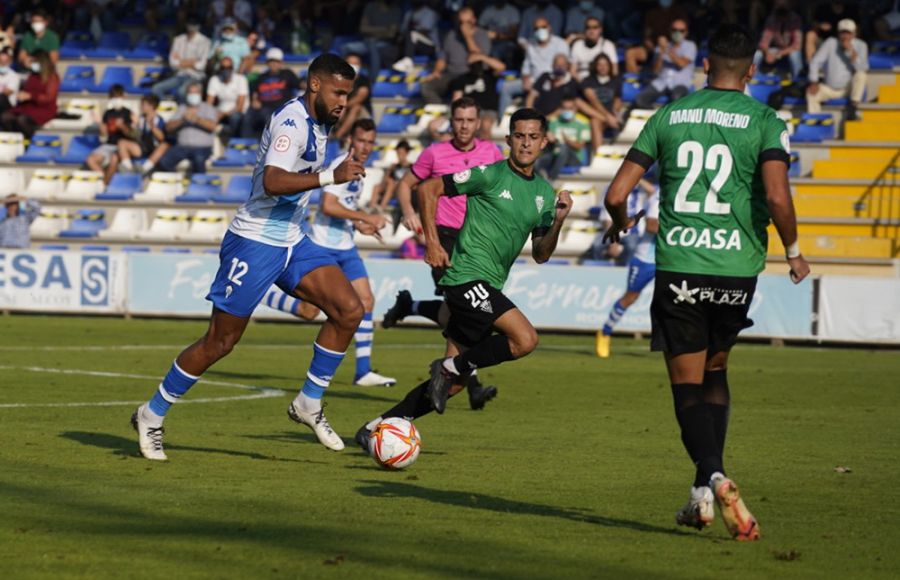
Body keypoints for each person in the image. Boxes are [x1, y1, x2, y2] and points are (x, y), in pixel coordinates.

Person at [602, 24, 810, 541]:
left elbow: (615, 193)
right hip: (737, 271)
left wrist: (618, 221)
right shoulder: (765, 120)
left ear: (705, 66)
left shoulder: (669, 116)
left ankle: (714, 475)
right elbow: (778, 198)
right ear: (752, 71)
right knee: (716, 369)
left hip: (681, 266)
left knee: (686, 387)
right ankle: (700, 493)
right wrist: (794, 250)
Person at [130, 54, 367, 461]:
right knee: (220, 342)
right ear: (314, 85)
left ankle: (308, 403)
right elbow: (274, 181)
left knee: (349, 310)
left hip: (293, 240)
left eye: (348, 93)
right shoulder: (291, 124)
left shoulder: (322, 121)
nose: (344, 101)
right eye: (338, 92)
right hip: (254, 241)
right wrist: (332, 176)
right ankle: (151, 414)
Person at [355, 108, 574, 449]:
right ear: (509, 139)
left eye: (533, 137)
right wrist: (431, 241)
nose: (526, 143)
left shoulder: (545, 195)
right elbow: (428, 190)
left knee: (453, 386)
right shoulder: (489, 175)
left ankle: (378, 425)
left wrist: (558, 220)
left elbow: (542, 253)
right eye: (519, 136)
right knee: (525, 339)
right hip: (465, 277)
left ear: (544, 142)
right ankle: (452, 366)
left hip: (489, 285)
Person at [381, 97, 504, 411]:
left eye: (469, 120)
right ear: (452, 121)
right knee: (472, 310)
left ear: (478, 123)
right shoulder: (434, 153)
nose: (463, 125)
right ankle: (470, 384)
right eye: (458, 119)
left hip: (478, 240)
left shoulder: (491, 152)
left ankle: (412, 305)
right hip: (444, 238)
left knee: (461, 311)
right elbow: (405, 184)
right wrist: (408, 212)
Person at [266, 119, 397, 388]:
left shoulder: (360, 170)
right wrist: (363, 215)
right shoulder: (341, 165)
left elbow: (342, 208)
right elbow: (327, 205)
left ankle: (363, 371)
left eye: (370, 142)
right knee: (308, 311)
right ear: (351, 139)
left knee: (367, 301)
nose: (365, 147)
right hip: (324, 246)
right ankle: (264, 294)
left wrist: (359, 223)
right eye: (361, 140)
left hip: (346, 248)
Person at [595, 178, 658, 358]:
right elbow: (652, 225)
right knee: (630, 297)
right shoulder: (658, 196)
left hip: (669, 259)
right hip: (646, 258)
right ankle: (605, 332)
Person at [499, 17, 570, 116]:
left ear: (549, 28)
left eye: (543, 27)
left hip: (552, 80)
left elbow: (564, 67)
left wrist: (556, 80)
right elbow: (526, 68)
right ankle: (503, 121)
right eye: (536, 28)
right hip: (533, 81)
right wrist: (525, 78)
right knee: (506, 87)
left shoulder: (561, 44)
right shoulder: (530, 45)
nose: (540, 30)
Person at [421, 7, 491, 105]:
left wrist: (468, 37)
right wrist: (436, 72)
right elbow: (442, 58)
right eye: (461, 22)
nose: (464, 25)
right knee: (427, 87)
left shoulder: (482, 34)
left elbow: (479, 57)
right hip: (452, 75)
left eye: (467, 22)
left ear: (474, 20)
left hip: (472, 75)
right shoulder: (451, 35)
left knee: (464, 89)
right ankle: (440, 112)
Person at [806, 19, 868, 120]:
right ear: (838, 33)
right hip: (829, 88)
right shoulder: (831, 43)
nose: (845, 36)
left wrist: (850, 51)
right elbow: (815, 62)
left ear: (854, 34)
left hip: (849, 88)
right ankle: (815, 122)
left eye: (848, 33)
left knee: (861, 75)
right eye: (843, 32)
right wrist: (813, 81)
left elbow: (862, 68)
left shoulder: (861, 45)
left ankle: (853, 107)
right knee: (811, 93)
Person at [155, 82, 218, 175]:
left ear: (200, 94)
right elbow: (168, 127)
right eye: (190, 93)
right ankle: (174, 182)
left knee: (199, 159)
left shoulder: (208, 108)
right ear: (187, 95)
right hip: (182, 147)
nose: (193, 95)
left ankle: (200, 185)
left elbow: (212, 126)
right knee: (164, 161)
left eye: (195, 93)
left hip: (202, 147)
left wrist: (196, 119)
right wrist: (182, 120)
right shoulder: (182, 108)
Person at [634, 19, 697, 109]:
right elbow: (655, 71)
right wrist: (661, 53)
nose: (677, 33)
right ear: (670, 31)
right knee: (639, 99)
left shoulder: (690, 46)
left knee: (676, 99)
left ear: (686, 33)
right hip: (661, 83)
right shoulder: (660, 47)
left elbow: (682, 64)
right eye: (674, 30)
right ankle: (655, 116)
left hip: (680, 84)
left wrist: (666, 48)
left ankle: (666, 119)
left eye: (681, 31)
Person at [240, 48, 300, 138]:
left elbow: (299, 85)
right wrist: (255, 101)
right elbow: (255, 93)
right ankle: (245, 145)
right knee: (247, 117)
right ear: (267, 63)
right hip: (262, 107)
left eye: (276, 61)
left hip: (281, 108)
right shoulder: (261, 77)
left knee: (268, 116)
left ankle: (270, 144)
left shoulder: (287, 74)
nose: (273, 64)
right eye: (271, 61)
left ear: (281, 63)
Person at [0, 50, 58, 139]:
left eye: (33, 62)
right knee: (5, 117)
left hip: (43, 109)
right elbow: (28, 90)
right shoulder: (32, 76)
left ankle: (29, 142)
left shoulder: (52, 77)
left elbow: (48, 98)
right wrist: (22, 95)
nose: (31, 64)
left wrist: (31, 96)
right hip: (28, 106)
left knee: (22, 120)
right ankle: (14, 140)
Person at [152, 16, 211, 102]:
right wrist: (192, 61)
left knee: (181, 92)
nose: (191, 27)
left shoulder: (205, 41)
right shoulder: (178, 40)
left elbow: (201, 66)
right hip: (179, 75)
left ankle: (183, 113)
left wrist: (181, 61)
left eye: (194, 24)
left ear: (198, 26)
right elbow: (173, 63)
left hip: (195, 76)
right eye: (190, 24)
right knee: (156, 89)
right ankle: (167, 108)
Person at [449, 52, 505, 140]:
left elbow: (501, 67)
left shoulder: (489, 75)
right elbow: (456, 99)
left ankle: (486, 152)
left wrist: (482, 57)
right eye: (473, 62)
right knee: (462, 126)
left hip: (488, 111)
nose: (476, 65)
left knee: (485, 125)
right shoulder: (461, 79)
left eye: (478, 62)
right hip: (468, 111)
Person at [86, 84, 135, 184]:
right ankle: (104, 180)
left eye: (118, 96)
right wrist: (99, 122)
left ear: (123, 96)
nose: (116, 99)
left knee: (114, 161)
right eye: (113, 97)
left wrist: (122, 126)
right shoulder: (108, 113)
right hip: (108, 145)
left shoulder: (127, 113)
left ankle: (105, 185)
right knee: (91, 160)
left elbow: (131, 134)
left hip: (121, 147)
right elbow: (104, 134)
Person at [537, 96, 591, 180]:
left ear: (575, 109)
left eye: (570, 108)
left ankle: (551, 179)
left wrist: (567, 141)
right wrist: (548, 140)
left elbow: (579, 146)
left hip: (574, 158)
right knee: (535, 161)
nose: (567, 111)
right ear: (560, 109)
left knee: (564, 148)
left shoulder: (583, 124)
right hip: (555, 155)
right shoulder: (554, 122)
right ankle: (539, 181)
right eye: (565, 108)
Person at [117, 94, 169, 176]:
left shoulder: (159, 119)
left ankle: (145, 168)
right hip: (142, 147)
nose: (141, 107)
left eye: (143, 105)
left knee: (165, 145)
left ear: (151, 106)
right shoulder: (140, 119)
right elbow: (134, 135)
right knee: (122, 142)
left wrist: (152, 127)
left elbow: (161, 138)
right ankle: (128, 168)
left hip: (154, 148)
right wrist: (132, 125)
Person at [754, 0, 803, 79]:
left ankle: (798, 79)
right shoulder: (771, 19)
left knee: (795, 55)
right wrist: (767, 53)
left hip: (789, 50)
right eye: (778, 4)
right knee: (758, 53)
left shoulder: (795, 19)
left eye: (784, 4)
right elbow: (764, 42)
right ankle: (753, 78)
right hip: (776, 49)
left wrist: (779, 54)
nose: (781, 6)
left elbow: (797, 45)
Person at [206, 56, 249, 144]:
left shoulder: (241, 79)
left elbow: (240, 106)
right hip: (221, 110)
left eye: (229, 68)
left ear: (232, 69)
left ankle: (233, 143)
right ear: (220, 69)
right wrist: (212, 113)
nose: (226, 70)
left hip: (237, 111)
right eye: (223, 68)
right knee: (207, 116)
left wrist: (223, 113)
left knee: (234, 117)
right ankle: (208, 144)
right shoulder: (214, 80)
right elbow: (208, 104)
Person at [581, 53, 623, 140]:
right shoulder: (588, 81)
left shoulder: (616, 80)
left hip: (610, 114)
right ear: (595, 66)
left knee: (596, 122)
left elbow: (618, 99)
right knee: (595, 121)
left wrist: (615, 113)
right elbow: (593, 101)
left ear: (610, 66)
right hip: (595, 112)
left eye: (605, 65)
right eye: (600, 65)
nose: (603, 67)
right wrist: (608, 117)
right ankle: (597, 152)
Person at [526, 53, 581, 117]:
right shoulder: (545, 76)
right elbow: (532, 96)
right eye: (557, 65)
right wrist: (529, 113)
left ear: (567, 66)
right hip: (537, 114)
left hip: (557, 119)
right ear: (552, 65)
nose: (560, 67)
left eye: (563, 65)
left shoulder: (571, 82)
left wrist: (549, 118)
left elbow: (569, 105)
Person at [333, 53, 372, 142]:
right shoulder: (339, 80)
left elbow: (360, 98)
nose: (353, 66)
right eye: (350, 63)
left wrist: (344, 106)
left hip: (361, 113)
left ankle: (337, 136)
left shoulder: (364, 80)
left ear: (360, 65)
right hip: (343, 111)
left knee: (356, 107)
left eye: (356, 63)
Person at [570, 16, 618, 81]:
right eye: (588, 27)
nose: (591, 30)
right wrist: (583, 85)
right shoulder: (577, 45)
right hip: (580, 80)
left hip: (602, 81)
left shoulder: (608, 45)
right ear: (585, 30)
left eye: (595, 27)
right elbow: (573, 71)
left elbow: (614, 70)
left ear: (600, 29)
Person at [369, 140, 412, 211]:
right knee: (377, 187)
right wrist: (389, 171)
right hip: (392, 189)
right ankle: (371, 207)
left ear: (406, 153)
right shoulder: (394, 167)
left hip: (403, 189)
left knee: (391, 183)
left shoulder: (411, 167)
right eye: (398, 153)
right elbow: (384, 181)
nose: (400, 156)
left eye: (402, 153)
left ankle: (381, 208)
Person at [478, 0, 520, 66]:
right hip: (489, 41)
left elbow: (513, 34)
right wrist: (487, 34)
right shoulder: (488, 10)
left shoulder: (512, 11)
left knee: (501, 51)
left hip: (507, 41)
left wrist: (498, 36)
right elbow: (480, 28)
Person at [0, 48, 21, 113]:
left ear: (10, 62)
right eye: (1, 61)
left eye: (5, 61)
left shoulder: (14, 76)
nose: (3, 64)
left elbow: (8, 92)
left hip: (8, 104)